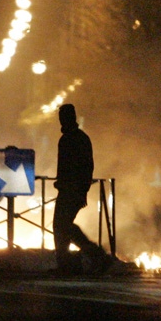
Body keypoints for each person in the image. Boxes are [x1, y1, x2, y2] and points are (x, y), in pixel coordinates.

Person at [53, 103, 110, 273]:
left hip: (71, 190)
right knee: (62, 226)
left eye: (63, 116)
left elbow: (86, 166)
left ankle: (91, 255)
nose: (61, 119)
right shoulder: (74, 138)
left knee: (62, 225)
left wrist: (80, 189)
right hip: (69, 189)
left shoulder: (74, 139)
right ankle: (69, 261)